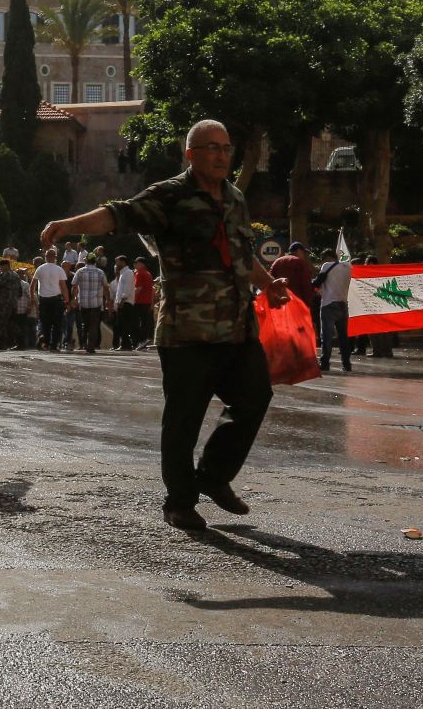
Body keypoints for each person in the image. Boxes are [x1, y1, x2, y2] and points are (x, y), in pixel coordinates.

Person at [40, 119, 291, 531]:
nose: (221, 155)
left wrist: (269, 284)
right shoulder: (169, 196)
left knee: (254, 399)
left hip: (237, 327)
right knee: (183, 420)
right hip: (186, 331)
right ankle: (179, 502)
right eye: (211, 147)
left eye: (226, 148)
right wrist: (69, 225)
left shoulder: (235, 198)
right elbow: (117, 214)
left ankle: (212, 476)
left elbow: (241, 252)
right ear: (191, 154)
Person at [315, 247, 352, 372]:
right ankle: (346, 364)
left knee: (326, 336)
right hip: (343, 304)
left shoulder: (326, 266)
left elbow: (317, 282)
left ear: (326, 258)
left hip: (328, 304)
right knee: (343, 337)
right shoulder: (348, 268)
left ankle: (325, 363)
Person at [270, 242, 320, 335]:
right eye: (304, 253)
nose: (305, 256)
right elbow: (306, 284)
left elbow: (270, 281)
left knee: (283, 331)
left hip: (280, 303)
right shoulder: (300, 263)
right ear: (298, 251)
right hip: (297, 304)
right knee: (298, 332)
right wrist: (308, 303)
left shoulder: (277, 262)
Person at [71, 254, 111, 353]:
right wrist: (108, 300)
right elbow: (106, 287)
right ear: (95, 261)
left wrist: (74, 298)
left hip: (83, 303)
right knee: (94, 325)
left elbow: (74, 286)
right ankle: (91, 346)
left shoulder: (80, 271)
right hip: (96, 303)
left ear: (86, 261)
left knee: (85, 324)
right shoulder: (100, 272)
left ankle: (85, 344)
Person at [32, 254, 68, 351]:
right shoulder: (59, 269)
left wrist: (32, 298)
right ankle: (54, 345)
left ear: (45, 257)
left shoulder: (40, 268)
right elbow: (63, 287)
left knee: (45, 323)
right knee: (57, 324)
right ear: (55, 258)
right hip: (56, 300)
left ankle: (46, 343)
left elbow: (32, 285)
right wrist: (67, 300)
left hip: (43, 300)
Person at [110, 255, 136, 350]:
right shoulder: (122, 274)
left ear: (123, 262)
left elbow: (127, 288)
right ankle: (125, 344)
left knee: (124, 324)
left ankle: (125, 345)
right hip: (121, 303)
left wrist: (122, 300)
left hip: (126, 302)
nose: (116, 264)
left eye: (117, 262)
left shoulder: (128, 273)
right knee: (121, 324)